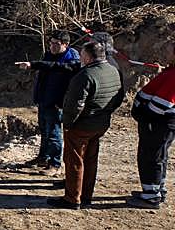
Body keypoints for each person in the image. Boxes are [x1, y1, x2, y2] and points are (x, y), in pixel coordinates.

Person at [48, 39, 124, 209]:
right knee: (90, 160)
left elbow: (74, 105)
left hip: (82, 125)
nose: (80, 57)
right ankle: (86, 196)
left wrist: (67, 124)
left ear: (88, 57)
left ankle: (72, 198)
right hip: (101, 123)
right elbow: (118, 98)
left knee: (74, 160)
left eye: (82, 54)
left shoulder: (85, 76)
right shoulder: (114, 71)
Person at [14, 31, 79, 171]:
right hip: (44, 99)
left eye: (56, 44)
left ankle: (55, 163)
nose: (52, 46)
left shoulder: (71, 59)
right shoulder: (50, 54)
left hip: (56, 103)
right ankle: (43, 158)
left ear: (65, 44)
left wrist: (34, 64)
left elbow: (62, 73)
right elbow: (46, 69)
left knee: (54, 133)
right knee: (45, 131)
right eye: (51, 43)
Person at [130, 48, 175, 208]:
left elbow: (160, 104)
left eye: (171, 51)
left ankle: (151, 196)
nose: (167, 53)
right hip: (159, 122)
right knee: (158, 155)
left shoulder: (173, 76)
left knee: (152, 157)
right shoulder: (171, 72)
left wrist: (145, 117)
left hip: (158, 123)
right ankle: (157, 189)